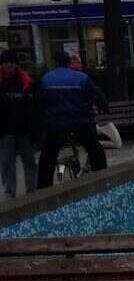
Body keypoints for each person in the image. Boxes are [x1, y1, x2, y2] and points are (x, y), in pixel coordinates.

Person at [36, 51, 109, 190]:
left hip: (55, 124)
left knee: (47, 157)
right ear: (69, 63)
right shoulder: (81, 77)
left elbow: (39, 103)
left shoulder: (46, 79)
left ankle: (43, 189)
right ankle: (103, 182)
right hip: (78, 122)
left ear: (55, 62)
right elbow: (96, 95)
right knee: (96, 150)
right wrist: (103, 107)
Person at [0, 50, 38, 198]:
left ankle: (31, 190)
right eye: (6, 62)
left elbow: (33, 106)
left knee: (29, 161)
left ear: (16, 64)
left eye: (12, 62)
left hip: (24, 128)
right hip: (5, 129)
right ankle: (10, 192)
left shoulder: (25, 81)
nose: (9, 65)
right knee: (7, 162)